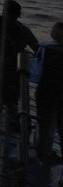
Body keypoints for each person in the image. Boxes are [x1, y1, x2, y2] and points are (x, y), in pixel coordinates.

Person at [36, 22, 63, 160]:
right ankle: (46, 151)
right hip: (58, 93)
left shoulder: (44, 47)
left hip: (43, 89)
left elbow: (37, 67)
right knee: (55, 125)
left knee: (43, 122)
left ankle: (41, 149)